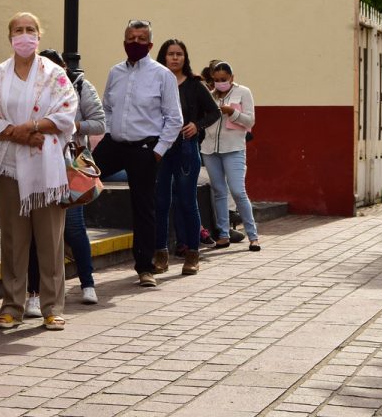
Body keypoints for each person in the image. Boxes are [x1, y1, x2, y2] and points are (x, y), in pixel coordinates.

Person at [0, 12, 78, 331]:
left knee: (50, 240)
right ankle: (12, 306)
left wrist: (33, 126)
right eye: (18, 30)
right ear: (10, 36)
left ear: (39, 36)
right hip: (10, 167)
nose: (24, 35)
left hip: (46, 169)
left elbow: (67, 112)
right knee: (13, 241)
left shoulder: (54, 74)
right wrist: (18, 133)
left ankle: (52, 306)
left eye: (30, 30)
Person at [92, 20, 183, 288]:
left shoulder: (162, 75)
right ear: (123, 41)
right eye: (131, 37)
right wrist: (109, 131)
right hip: (114, 144)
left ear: (151, 45)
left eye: (142, 39)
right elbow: (106, 106)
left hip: (146, 149)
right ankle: (69, 243)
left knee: (144, 207)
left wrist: (157, 152)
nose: (135, 43)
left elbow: (174, 119)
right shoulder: (115, 72)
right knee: (80, 182)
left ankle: (145, 267)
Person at [25, 48, 105, 315]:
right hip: (36, 164)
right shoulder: (29, 89)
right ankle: (34, 294)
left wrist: (70, 125)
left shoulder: (80, 86)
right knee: (36, 234)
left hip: (69, 166)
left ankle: (87, 283)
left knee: (73, 227)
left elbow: (99, 123)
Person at [153, 39, 220, 275]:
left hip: (186, 148)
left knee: (187, 201)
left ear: (185, 58)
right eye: (170, 54)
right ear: (163, 57)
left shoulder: (194, 85)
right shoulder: (155, 81)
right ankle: (160, 253)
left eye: (179, 54)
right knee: (160, 202)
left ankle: (192, 254)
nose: (174, 58)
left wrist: (197, 125)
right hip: (160, 149)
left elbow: (215, 112)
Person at [200, 61, 260, 251]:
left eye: (224, 80)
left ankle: (253, 236)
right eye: (216, 80)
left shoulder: (243, 92)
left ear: (232, 78)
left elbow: (250, 120)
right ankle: (223, 234)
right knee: (219, 191)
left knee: (237, 191)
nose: (220, 83)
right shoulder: (210, 96)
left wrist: (232, 112)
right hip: (210, 149)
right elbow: (203, 120)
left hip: (234, 148)